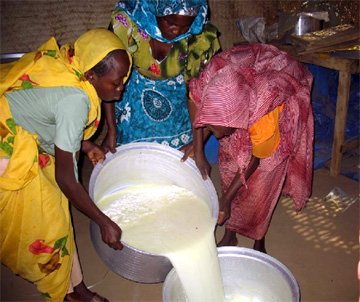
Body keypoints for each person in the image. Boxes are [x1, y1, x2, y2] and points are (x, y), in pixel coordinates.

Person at [0, 28, 131, 301]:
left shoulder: (73, 63)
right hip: (7, 145)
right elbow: (67, 179)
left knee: (57, 212)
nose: (120, 92)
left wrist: (85, 145)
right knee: (43, 227)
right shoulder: (76, 100)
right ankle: (62, 291)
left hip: (21, 130)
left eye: (123, 81)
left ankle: (76, 289)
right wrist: (103, 221)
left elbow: (45, 114)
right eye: (116, 83)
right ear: (91, 76)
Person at [188, 44, 314, 253]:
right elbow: (198, 108)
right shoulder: (209, 84)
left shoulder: (264, 114)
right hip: (242, 86)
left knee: (261, 189)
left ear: (240, 116)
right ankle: (231, 234)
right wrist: (198, 150)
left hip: (280, 99)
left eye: (221, 131)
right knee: (229, 171)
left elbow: (256, 159)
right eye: (212, 128)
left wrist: (226, 200)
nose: (217, 136)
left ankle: (259, 238)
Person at [101, 0, 220, 156]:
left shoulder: (200, 37)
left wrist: (197, 146)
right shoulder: (126, 24)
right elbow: (107, 77)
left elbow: (201, 94)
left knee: (172, 160)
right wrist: (111, 129)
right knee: (130, 156)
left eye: (185, 26)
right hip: (131, 101)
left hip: (178, 108)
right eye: (169, 22)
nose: (176, 31)